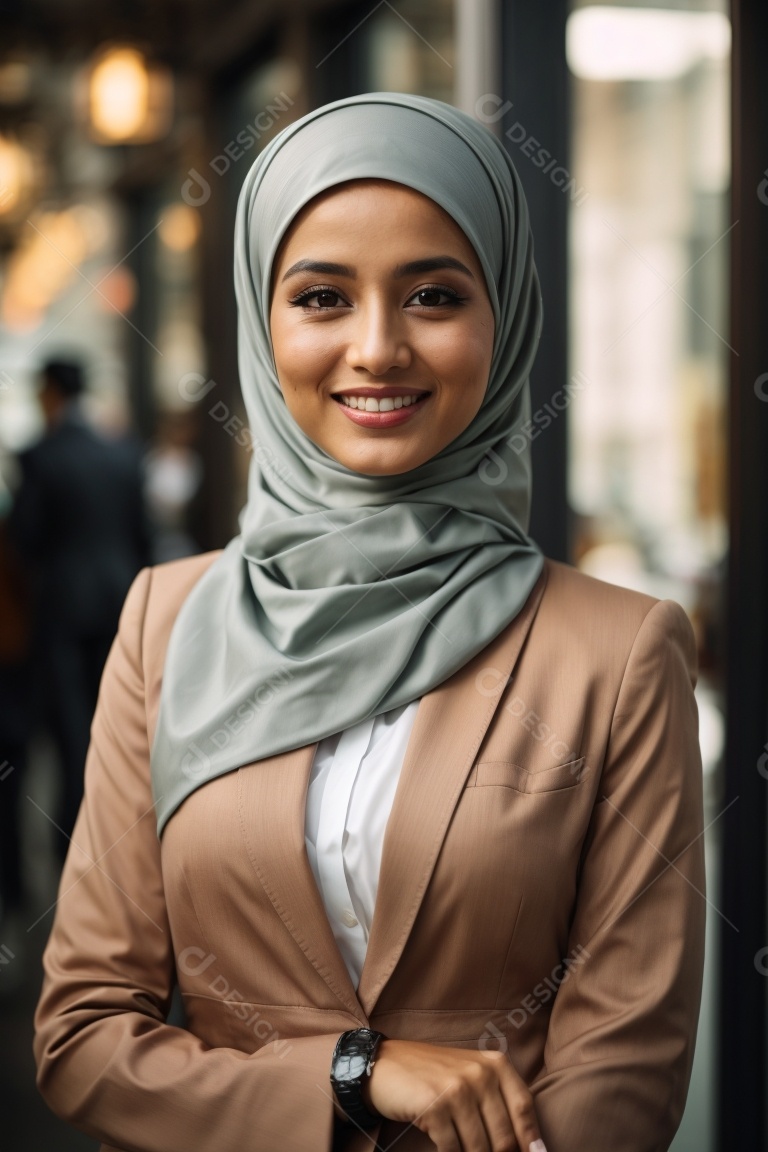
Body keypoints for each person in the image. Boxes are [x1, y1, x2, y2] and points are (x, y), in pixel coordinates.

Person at [32, 94, 705, 1152]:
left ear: (507, 316)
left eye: (434, 295)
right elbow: (81, 1039)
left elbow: (628, 1061)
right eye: (322, 298)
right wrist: (351, 1077)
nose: (379, 348)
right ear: (265, 324)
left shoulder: (618, 651)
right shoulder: (169, 624)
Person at [9, 359, 151, 855]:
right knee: (115, 728)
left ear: (49, 392)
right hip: (118, 605)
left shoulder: (40, 457)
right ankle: (118, 839)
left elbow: (25, 540)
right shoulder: (123, 453)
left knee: (72, 733)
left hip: (63, 610)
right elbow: (143, 538)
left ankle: (74, 843)